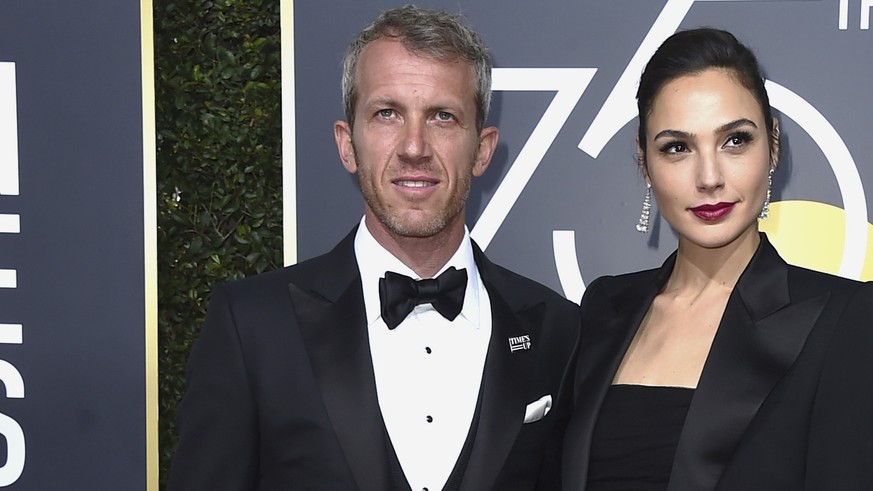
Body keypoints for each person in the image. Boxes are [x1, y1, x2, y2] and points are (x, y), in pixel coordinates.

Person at [167, 5, 580, 491]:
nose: (414, 147)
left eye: (443, 117)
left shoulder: (557, 328)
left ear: (483, 149)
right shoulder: (252, 325)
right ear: (348, 144)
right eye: (387, 114)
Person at [561, 28, 873, 490]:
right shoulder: (604, 307)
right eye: (677, 148)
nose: (709, 177)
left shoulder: (846, 319)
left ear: (774, 146)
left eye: (734, 141)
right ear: (644, 163)